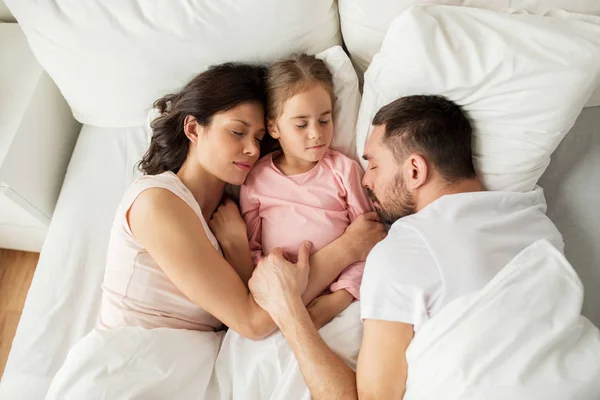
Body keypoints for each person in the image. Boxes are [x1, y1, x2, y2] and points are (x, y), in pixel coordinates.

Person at [248, 95, 564, 398]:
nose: (365, 180)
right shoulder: (538, 223)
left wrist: (288, 310)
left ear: (414, 170)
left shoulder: (405, 250)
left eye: (373, 165)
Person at [96, 63, 384, 340]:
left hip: (196, 361)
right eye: (237, 132)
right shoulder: (157, 203)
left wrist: (237, 248)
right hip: (134, 357)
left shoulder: (230, 211)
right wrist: (348, 247)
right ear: (194, 129)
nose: (251, 149)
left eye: (258, 137)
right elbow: (253, 321)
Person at [234, 54, 376, 329]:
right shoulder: (255, 180)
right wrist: (277, 291)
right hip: (278, 299)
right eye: (301, 124)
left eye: (325, 120)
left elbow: (370, 239)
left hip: (343, 298)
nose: (316, 134)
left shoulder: (343, 171)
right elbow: (253, 251)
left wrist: (341, 297)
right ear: (274, 127)